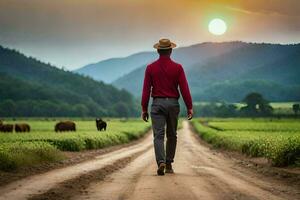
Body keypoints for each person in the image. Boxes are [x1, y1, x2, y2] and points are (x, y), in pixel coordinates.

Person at [141, 38, 193, 176]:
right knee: (172, 135)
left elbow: (146, 90)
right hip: (173, 104)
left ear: (158, 51)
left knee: (158, 135)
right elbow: (184, 89)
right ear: (170, 51)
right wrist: (189, 107)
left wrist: (144, 108)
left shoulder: (150, 68)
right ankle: (169, 163)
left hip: (157, 104)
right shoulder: (178, 68)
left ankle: (161, 162)